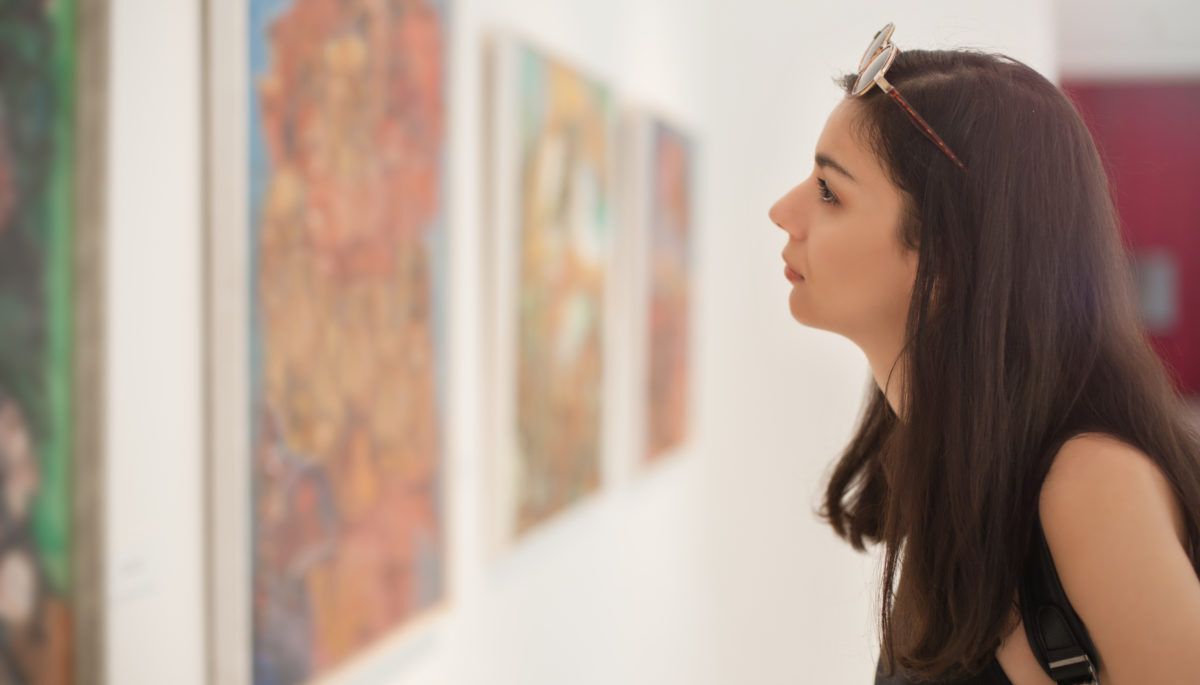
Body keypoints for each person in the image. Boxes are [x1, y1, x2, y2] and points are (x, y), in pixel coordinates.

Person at [768, 23, 1200, 685]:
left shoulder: (1089, 482)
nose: (783, 210)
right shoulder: (950, 453)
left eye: (830, 192)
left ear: (948, 255)